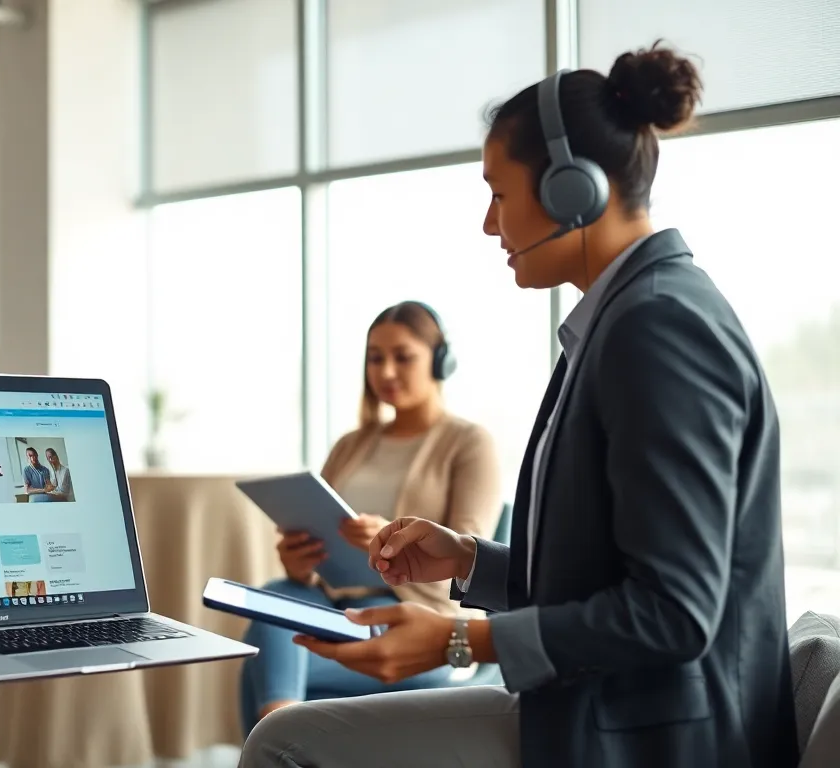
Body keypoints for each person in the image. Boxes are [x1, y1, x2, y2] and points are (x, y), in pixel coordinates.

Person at [239, 42, 798, 768]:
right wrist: (467, 559)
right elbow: (601, 576)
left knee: (285, 744)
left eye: (499, 193)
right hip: (604, 706)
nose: (488, 223)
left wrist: (457, 637)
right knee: (285, 734)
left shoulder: (658, 329)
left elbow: (674, 611)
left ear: (572, 191)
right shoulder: (623, 321)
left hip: (651, 735)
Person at [237, 302, 503, 736]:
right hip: (332, 601)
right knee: (274, 595)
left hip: (409, 612)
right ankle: (278, 736)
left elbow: (470, 570)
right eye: (375, 358)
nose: (386, 371)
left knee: (263, 659)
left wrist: (388, 543)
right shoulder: (350, 445)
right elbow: (310, 560)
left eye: (403, 356)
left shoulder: (469, 444)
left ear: (439, 360)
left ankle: (274, 731)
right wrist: (299, 562)